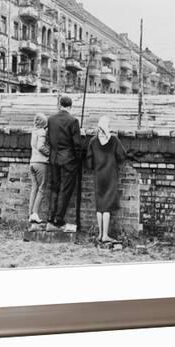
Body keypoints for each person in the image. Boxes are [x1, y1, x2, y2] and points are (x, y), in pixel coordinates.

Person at [86, 116, 127, 242]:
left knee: (99, 205)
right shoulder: (114, 140)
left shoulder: (93, 141)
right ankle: (105, 235)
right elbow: (122, 156)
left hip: (98, 175)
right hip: (110, 175)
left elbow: (89, 162)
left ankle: (99, 234)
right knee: (107, 205)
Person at [46, 95, 83, 230]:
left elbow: (49, 139)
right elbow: (77, 144)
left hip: (54, 158)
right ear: (70, 106)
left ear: (60, 105)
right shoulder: (73, 121)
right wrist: (78, 159)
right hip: (68, 160)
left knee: (54, 187)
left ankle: (50, 216)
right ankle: (59, 219)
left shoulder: (50, 120)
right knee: (65, 189)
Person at [28, 113, 50, 224]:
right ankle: (35, 214)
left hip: (32, 162)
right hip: (41, 163)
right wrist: (49, 154)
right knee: (42, 188)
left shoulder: (34, 131)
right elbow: (41, 147)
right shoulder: (42, 132)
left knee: (34, 188)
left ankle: (30, 214)